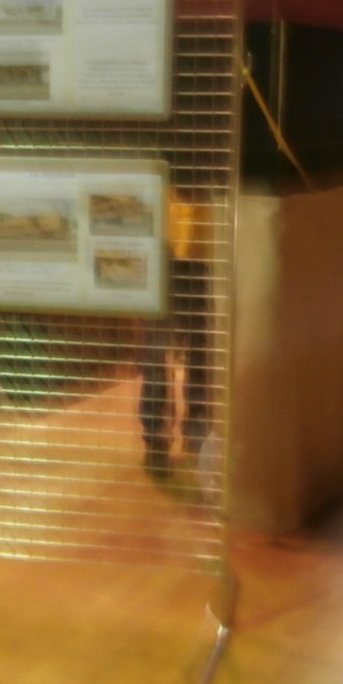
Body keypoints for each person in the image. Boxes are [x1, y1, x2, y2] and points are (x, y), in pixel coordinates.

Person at [137, 189, 213, 478]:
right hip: (181, 246)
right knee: (194, 350)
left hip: (180, 245)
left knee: (177, 351)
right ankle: (184, 435)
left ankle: (173, 436)